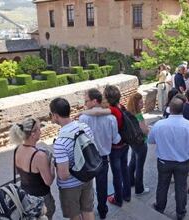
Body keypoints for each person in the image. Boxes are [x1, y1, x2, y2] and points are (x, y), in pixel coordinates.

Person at [148, 94, 189, 220]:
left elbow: (151, 140)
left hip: (164, 161)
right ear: (183, 109)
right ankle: (180, 212)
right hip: (183, 162)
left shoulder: (159, 124)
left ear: (170, 108)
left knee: (162, 185)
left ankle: (160, 207)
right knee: (181, 187)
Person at [49, 98, 95, 220]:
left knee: (75, 215)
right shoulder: (85, 127)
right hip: (87, 177)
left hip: (70, 186)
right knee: (88, 210)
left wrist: (54, 165)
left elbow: (63, 175)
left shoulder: (60, 142)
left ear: (55, 115)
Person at [78, 88, 121, 219]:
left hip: (87, 157)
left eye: (86, 101)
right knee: (102, 186)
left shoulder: (83, 118)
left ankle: (86, 211)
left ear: (94, 101)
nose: (85, 104)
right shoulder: (111, 118)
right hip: (102, 158)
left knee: (86, 186)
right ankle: (102, 210)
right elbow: (115, 139)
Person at [10, 118, 55, 219]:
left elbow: (17, 170)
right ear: (33, 133)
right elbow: (48, 181)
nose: (41, 131)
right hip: (41, 199)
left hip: (25, 197)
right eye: (39, 129)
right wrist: (52, 165)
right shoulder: (39, 156)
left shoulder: (17, 149)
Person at [103, 85, 132, 206]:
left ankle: (118, 199)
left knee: (116, 174)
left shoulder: (111, 111)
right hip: (125, 144)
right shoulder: (121, 107)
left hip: (116, 147)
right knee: (124, 169)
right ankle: (127, 194)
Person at [127, 93, 150, 196]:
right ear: (136, 104)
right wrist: (148, 129)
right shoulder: (139, 115)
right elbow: (144, 131)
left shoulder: (129, 114)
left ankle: (130, 181)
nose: (142, 104)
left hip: (133, 142)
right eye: (140, 102)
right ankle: (139, 189)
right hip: (141, 143)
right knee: (139, 166)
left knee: (132, 162)